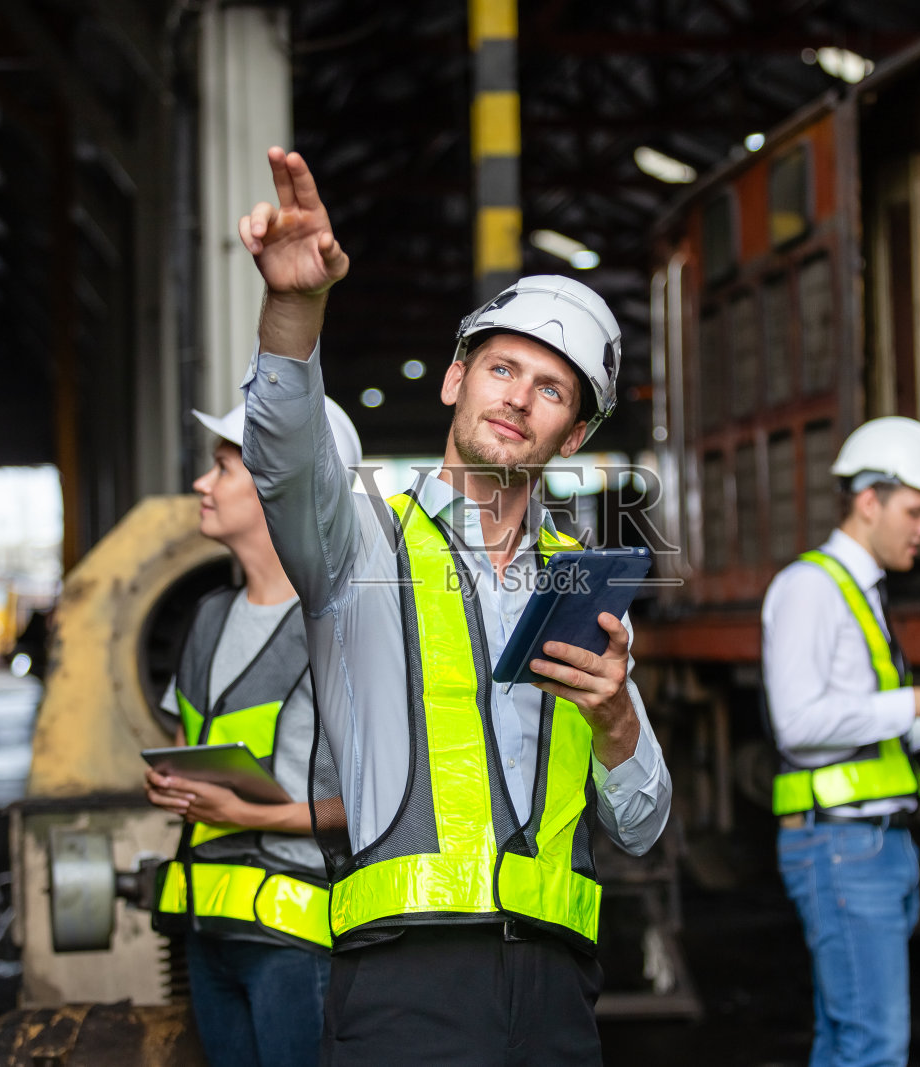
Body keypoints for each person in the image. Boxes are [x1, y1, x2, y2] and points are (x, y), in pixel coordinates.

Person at [234, 147, 672, 1065]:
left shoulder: (583, 588)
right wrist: (295, 309)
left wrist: (619, 721)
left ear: (577, 432)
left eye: (552, 388)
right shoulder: (354, 545)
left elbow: (640, 822)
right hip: (404, 986)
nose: (519, 398)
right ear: (454, 380)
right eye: (502, 369)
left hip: (556, 993)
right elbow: (282, 450)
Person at [761, 415, 920, 1067]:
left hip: (867, 843)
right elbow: (800, 725)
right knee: (872, 1044)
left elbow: (856, 726)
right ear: (870, 501)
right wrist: (919, 701)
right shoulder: (811, 587)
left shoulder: (857, 590)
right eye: (917, 510)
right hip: (841, 845)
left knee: (851, 1040)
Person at [143, 397, 362, 1067]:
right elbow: (192, 747)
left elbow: (386, 803)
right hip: (209, 931)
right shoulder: (208, 617)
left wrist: (244, 811)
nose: (202, 485)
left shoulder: (344, 627)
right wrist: (170, 779)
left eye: (222, 467)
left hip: (296, 939)